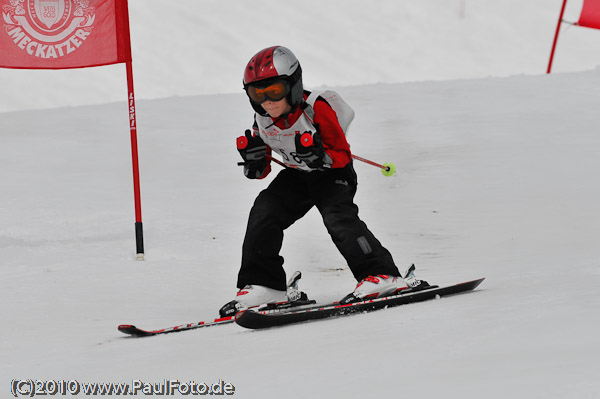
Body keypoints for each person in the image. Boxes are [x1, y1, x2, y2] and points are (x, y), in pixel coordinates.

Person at [219, 46, 427, 317]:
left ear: (293, 86)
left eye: (274, 92)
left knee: (337, 217)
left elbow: (342, 155)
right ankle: (265, 283)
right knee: (264, 209)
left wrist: (319, 157)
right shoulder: (262, 119)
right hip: (298, 175)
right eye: (257, 94)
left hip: (333, 174)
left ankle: (381, 275)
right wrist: (255, 163)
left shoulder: (317, 109)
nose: (267, 102)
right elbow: (263, 170)